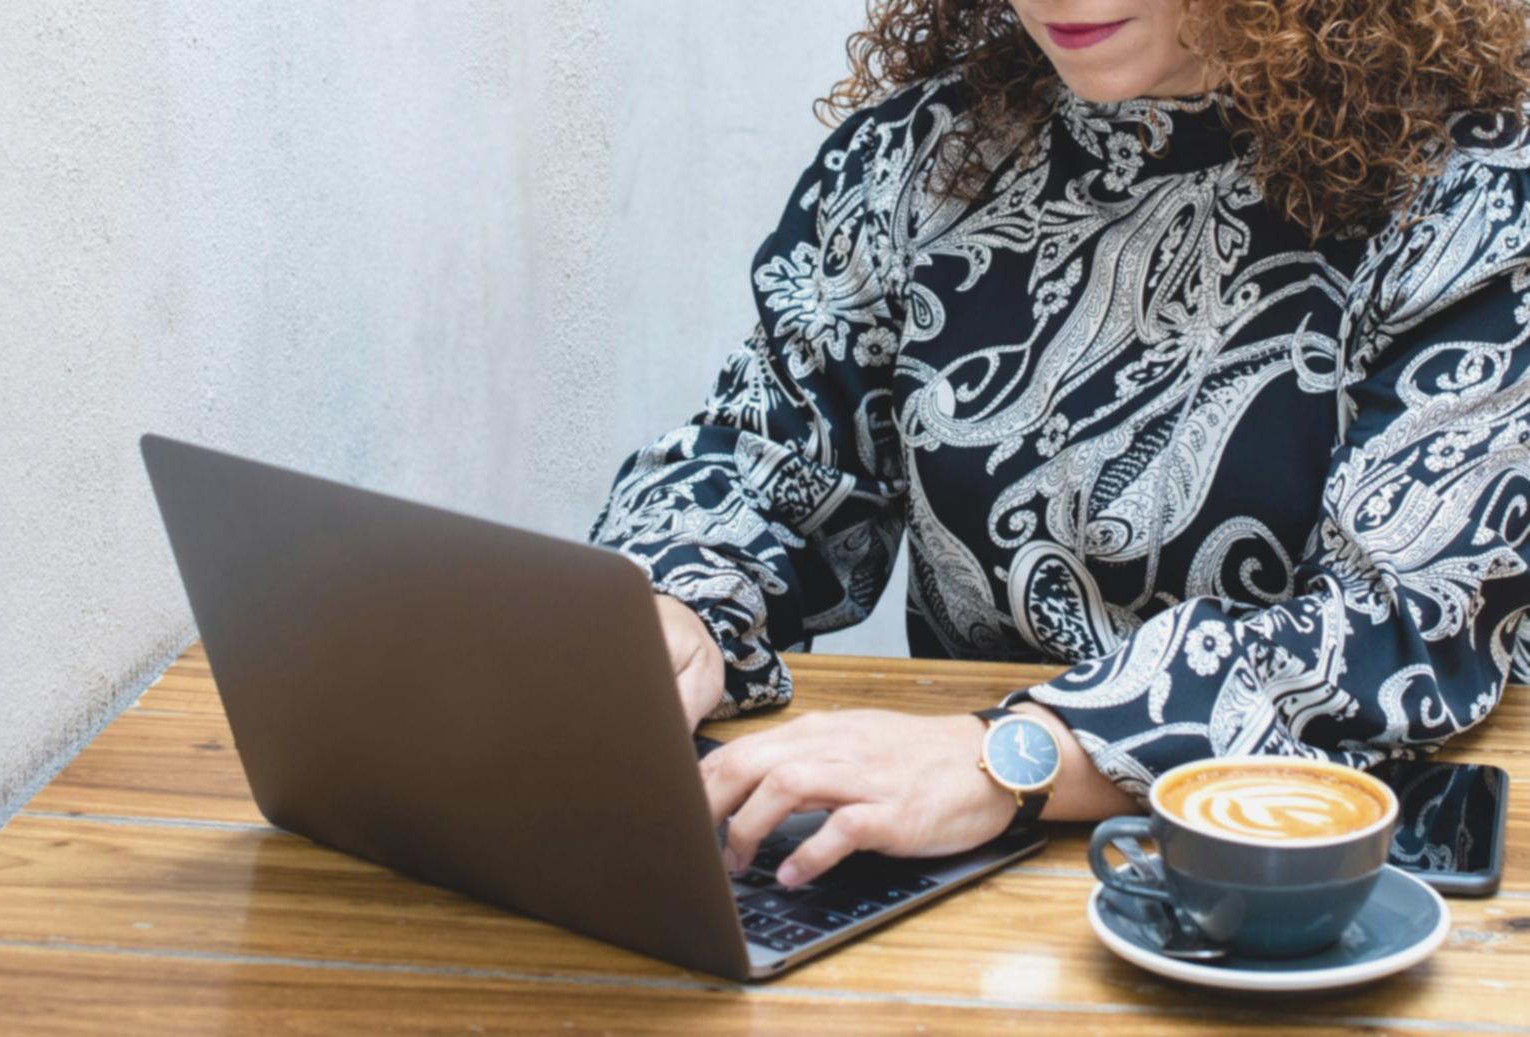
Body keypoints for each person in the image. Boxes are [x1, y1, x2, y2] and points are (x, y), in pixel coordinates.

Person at [588, 0, 1530, 889]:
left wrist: (1010, 755)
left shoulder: (1472, 196)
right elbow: (769, 462)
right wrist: (672, 602)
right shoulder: (924, 157)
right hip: (942, 853)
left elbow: (1396, 622)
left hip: (1306, 881)